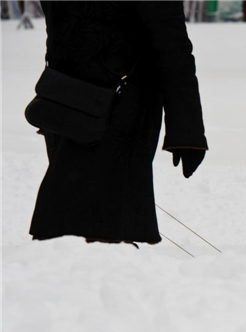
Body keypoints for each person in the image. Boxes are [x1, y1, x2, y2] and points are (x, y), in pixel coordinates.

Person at [29, 2, 207, 245]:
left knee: (84, 223)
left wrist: (187, 131)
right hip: (94, 106)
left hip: (91, 102)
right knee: (83, 226)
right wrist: (188, 132)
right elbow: (172, 45)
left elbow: (170, 44)